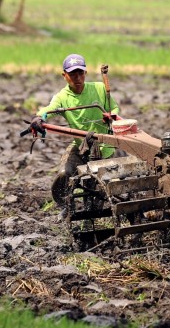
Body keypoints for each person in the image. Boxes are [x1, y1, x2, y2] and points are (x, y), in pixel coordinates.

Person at [30, 53, 123, 215]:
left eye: (80, 73)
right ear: (64, 75)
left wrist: (111, 115)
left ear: (85, 73)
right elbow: (49, 110)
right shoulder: (62, 97)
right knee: (64, 174)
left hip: (105, 147)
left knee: (101, 187)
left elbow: (114, 108)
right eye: (73, 74)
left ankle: (98, 212)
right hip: (81, 146)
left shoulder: (100, 88)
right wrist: (40, 117)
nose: (77, 77)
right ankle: (66, 205)